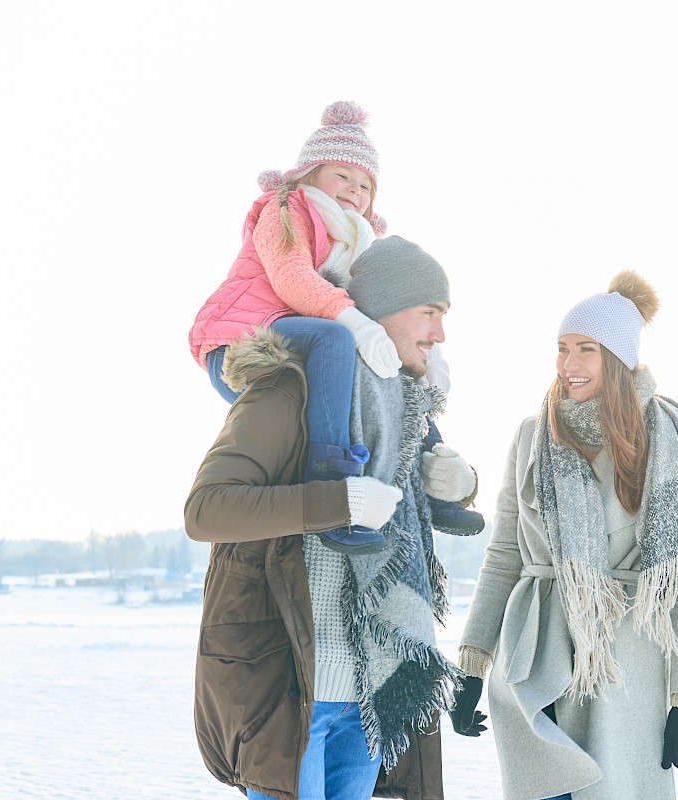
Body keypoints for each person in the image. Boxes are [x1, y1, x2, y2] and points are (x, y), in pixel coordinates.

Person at [185, 236, 477, 800]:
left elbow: (406, 515)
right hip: (291, 690)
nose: (439, 335)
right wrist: (335, 503)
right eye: (430, 314)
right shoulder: (288, 390)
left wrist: (459, 483)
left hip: (371, 696)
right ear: (385, 310)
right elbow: (206, 510)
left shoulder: (404, 409)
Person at [449, 271, 678, 800]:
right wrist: (472, 663)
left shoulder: (670, 442)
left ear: (618, 359)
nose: (567, 366)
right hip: (535, 656)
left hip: (623, 668)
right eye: (561, 349)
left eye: (585, 351)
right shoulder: (533, 434)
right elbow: (505, 555)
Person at [187, 100, 481, 555]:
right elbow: (291, 278)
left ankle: (433, 477)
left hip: (302, 334)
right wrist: (355, 324)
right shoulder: (285, 210)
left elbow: (386, 311)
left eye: (366, 185)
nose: (354, 190)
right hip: (243, 337)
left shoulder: (352, 239)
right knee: (337, 337)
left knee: (393, 373)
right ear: (309, 174)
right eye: (342, 175)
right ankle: (333, 476)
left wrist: (423, 350)